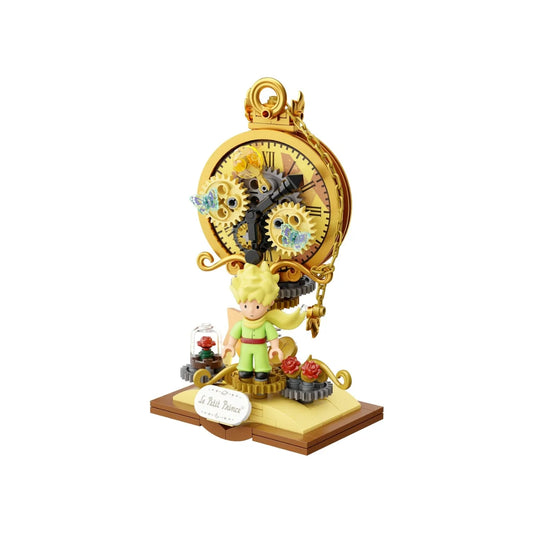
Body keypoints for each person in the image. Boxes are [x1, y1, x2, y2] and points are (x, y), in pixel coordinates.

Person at [223, 262, 305, 383]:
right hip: (245, 347)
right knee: (244, 364)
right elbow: (234, 335)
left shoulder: (266, 325)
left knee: (262, 362)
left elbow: (272, 337)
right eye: (245, 306)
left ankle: (261, 371)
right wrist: (230, 345)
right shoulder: (241, 324)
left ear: (270, 303)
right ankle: (245, 369)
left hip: (260, 347)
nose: (251, 311)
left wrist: (275, 348)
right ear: (239, 302)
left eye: (257, 307)